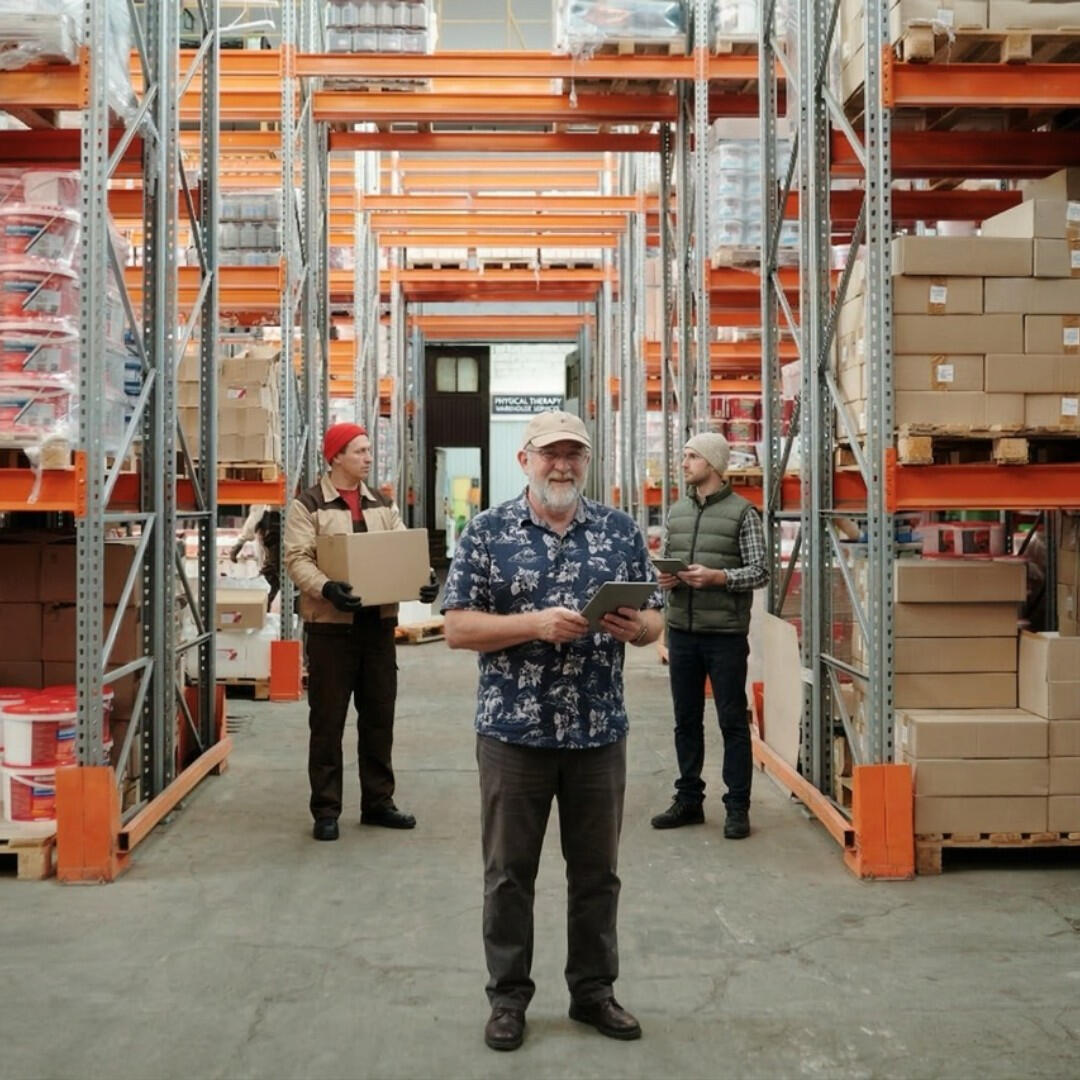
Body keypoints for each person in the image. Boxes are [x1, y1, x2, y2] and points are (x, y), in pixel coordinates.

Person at [442, 409, 664, 1053]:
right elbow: (457, 627)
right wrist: (534, 624)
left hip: (598, 732)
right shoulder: (487, 532)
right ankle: (507, 998)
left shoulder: (621, 532)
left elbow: (654, 622)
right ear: (525, 461)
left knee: (597, 873)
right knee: (509, 873)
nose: (562, 465)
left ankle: (593, 992)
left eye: (574, 455)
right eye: (550, 454)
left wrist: (637, 629)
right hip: (514, 735)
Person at [283, 422, 439, 842]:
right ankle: (326, 809)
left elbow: (403, 549)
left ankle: (378, 802)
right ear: (335, 457)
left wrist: (422, 579)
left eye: (369, 450)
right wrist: (326, 588)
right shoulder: (309, 505)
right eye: (360, 451)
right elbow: (297, 558)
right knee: (328, 721)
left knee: (378, 718)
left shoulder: (382, 504)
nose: (369, 458)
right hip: (331, 629)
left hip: (377, 627)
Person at [651, 432, 769, 839]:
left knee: (731, 721)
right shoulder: (677, 512)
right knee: (686, 721)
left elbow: (760, 571)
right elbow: (668, 559)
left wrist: (719, 577)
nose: (683, 463)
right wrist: (666, 579)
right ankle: (689, 800)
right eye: (683, 455)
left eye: (691, 456)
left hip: (725, 636)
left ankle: (737, 806)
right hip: (681, 631)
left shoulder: (743, 513)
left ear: (714, 465)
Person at [229, 504, 281, 610]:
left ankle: (257, 608)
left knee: (271, 574)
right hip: (277, 528)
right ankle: (258, 608)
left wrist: (240, 542)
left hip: (277, 528)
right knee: (272, 574)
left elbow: (256, 514)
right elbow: (256, 514)